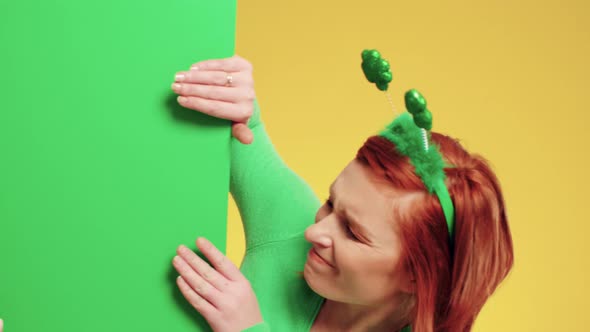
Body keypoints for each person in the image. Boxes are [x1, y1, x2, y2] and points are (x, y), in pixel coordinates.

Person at [170, 55, 514, 332]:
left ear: (417, 273)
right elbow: (242, 128)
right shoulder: (293, 232)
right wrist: (231, 87)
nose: (314, 231)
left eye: (353, 232)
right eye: (330, 203)